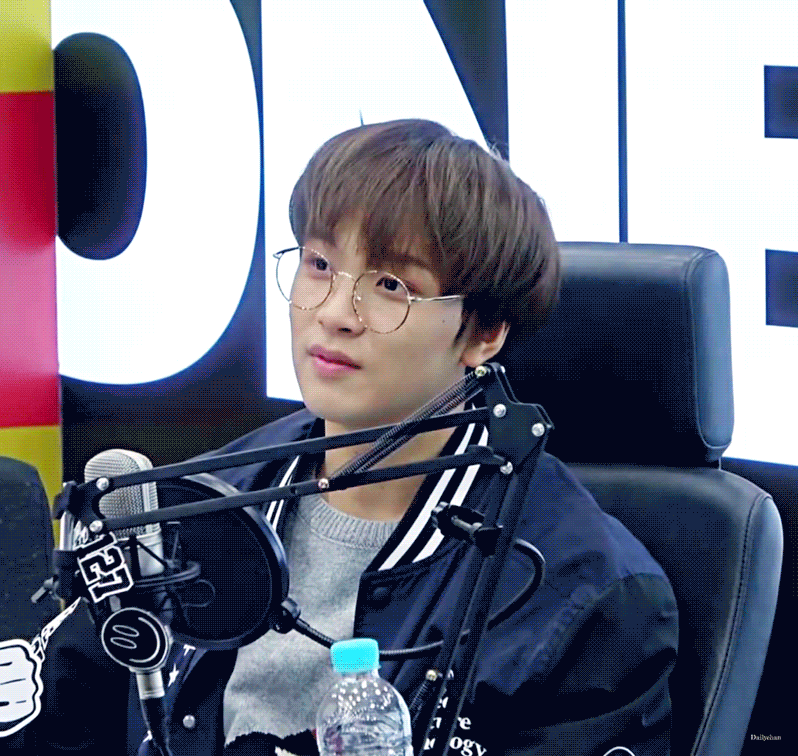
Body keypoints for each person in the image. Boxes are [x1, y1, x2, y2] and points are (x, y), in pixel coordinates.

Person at [5, 119, 677, 756]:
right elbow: (59, 719)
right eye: (320, 264)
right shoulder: (200, 503)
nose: (333, 313)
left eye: (390, 285)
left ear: (483, 333)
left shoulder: (586, 597)